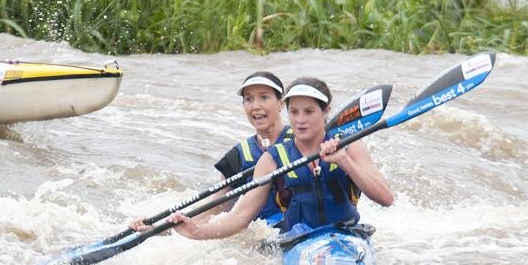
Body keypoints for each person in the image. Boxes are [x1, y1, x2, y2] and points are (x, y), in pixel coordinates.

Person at [165, 76, 394, 240]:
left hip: (349, 236)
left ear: (326, 111)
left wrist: (344, 161)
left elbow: (385, 198)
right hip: (298, 242)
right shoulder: (272, 160)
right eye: (294, 112)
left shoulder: (350, 144)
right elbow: (241, 217)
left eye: (309, 111)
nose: (300, 120)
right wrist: (196, 231)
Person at [129, 71, 291, 232]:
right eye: (248, 99)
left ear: (280, 103)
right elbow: (212, 210)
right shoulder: (237, 157)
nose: (255, 106)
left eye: (264, 97)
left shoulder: (302, 140)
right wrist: (158, 229)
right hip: (266, 235)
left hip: (301, 226)